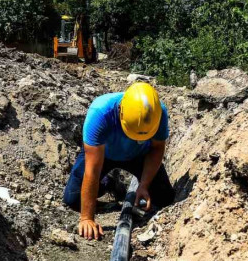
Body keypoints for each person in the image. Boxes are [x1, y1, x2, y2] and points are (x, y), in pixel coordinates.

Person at [62, 82, 175, 240]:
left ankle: (130, 186)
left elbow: (157, 148)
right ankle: (109, 183)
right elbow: (92, 170)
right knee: (73, 199)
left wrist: (144, 185)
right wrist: (87, 218)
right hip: (103, 154)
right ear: (120, 111)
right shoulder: (100, 113)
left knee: (165, 198)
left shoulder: (157, 113)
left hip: (139, 155)